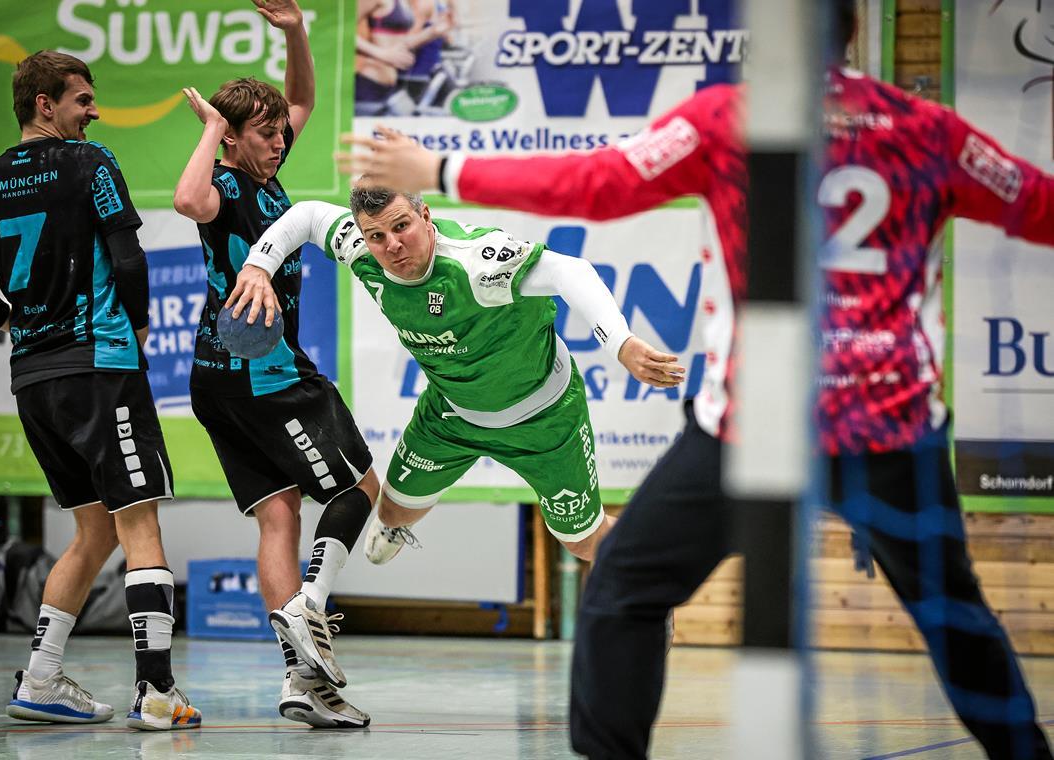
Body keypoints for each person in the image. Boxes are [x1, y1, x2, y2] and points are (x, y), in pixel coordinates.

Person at [335, 4, 1054, 759]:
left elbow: (596, 182)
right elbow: (1038, 204)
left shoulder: (728, 119)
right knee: (954, 615)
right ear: (850, 31)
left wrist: (444, 170)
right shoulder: (928, 131)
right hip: (889, 426)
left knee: (621, 594)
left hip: (753, 428)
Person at [225, 187, 684, 575]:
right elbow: (307, 215)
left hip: (543, 417)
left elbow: (571, 271)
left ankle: (646, 583)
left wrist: (620, 343)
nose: (392, 245)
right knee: (391, 508)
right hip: (452, 414)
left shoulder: (479, 263)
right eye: (377, 236)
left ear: (426, 216)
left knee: (581, 541)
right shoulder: (365, 249)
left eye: (402, 226)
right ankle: (396, 522)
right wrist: (257, 265)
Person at [0, 50, 200, 731]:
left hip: (33, 380)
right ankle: (157, 693)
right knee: (138, 519)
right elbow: (127, 256)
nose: (94, 110)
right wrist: (139, 332)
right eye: (82, 99)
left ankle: (42, 677)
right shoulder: (91, 163)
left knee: (94, 530)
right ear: (44, 104)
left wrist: (12, 319)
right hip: (99, 367)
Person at [172, 0, 375, 728]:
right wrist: (210, 132)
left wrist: (294, 32)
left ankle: (299, 682)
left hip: (215, 379)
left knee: (280, 519)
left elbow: (301, 100)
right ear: (232, 138)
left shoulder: (264, 173)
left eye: (280, 133)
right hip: (262, 374)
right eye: (265, 135)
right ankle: (312, 611)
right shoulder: (227, 184)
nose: (282, 141)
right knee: (359, 488)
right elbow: (186, 197)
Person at [355, 0, 451, 116]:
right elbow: (340, 32)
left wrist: (433, 32)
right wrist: (381, 54)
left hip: (390, 87)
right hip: (368, 85)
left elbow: (399, 45)